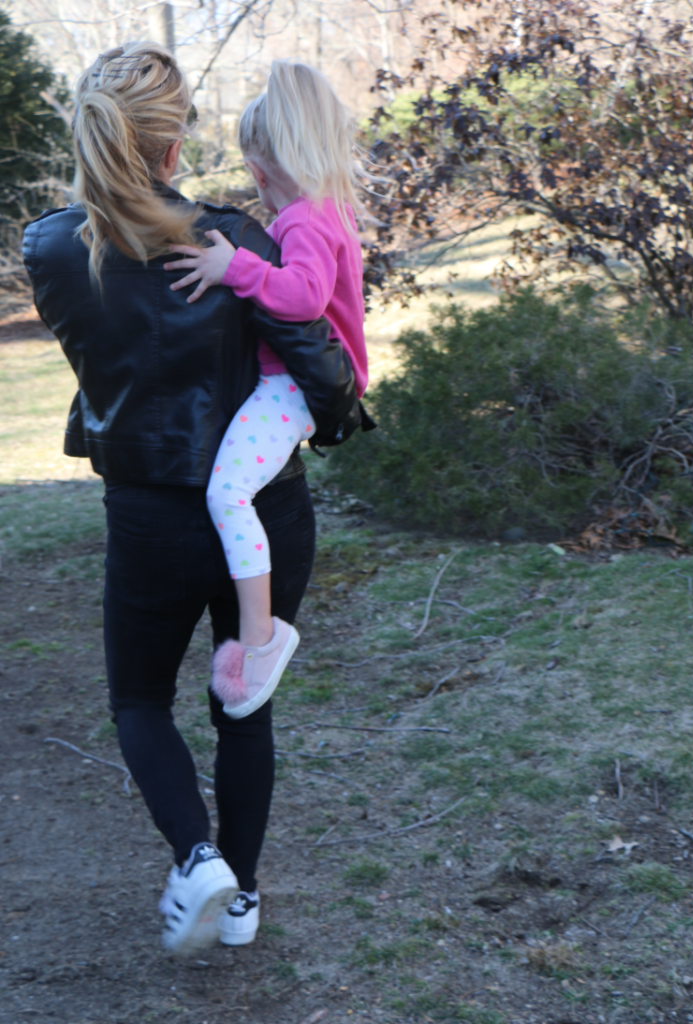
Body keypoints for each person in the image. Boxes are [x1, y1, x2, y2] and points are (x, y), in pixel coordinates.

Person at [23, 43, 363, 956]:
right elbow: (325, 380)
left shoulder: (50, 247)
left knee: (139, 699)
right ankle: (241, 897)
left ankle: (197, 854)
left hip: (148, 517)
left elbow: (105, 353)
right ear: (174, 147)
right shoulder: (237, 240)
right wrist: (327, 417)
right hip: (265, 508)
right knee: (244, 706)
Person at [164, 61, 368, 721]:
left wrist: (235, 267)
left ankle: (260, 637)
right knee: (232, 488)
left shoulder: (307, 219)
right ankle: (255, 631)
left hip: (294, 388)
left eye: (256, 167)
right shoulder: (324, 208)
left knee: (228, 492)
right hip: (292, 383)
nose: (254, 181)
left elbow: (305, 297)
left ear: (270, 162)